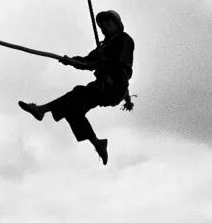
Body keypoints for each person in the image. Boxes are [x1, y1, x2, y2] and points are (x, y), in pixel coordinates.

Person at [18, 10, 134, 165]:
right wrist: (70, 60)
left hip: (113, 86)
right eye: (102, 24)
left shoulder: (124, 40)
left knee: (79, 93)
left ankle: (42, 109)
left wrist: (99, 63)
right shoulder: (103, 47)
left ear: (117, 24)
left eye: (108, 21)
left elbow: (118, 64)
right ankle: (98, 143)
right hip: (102, 85)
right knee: (73, 111)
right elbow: (86, 61)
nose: (105, 25)